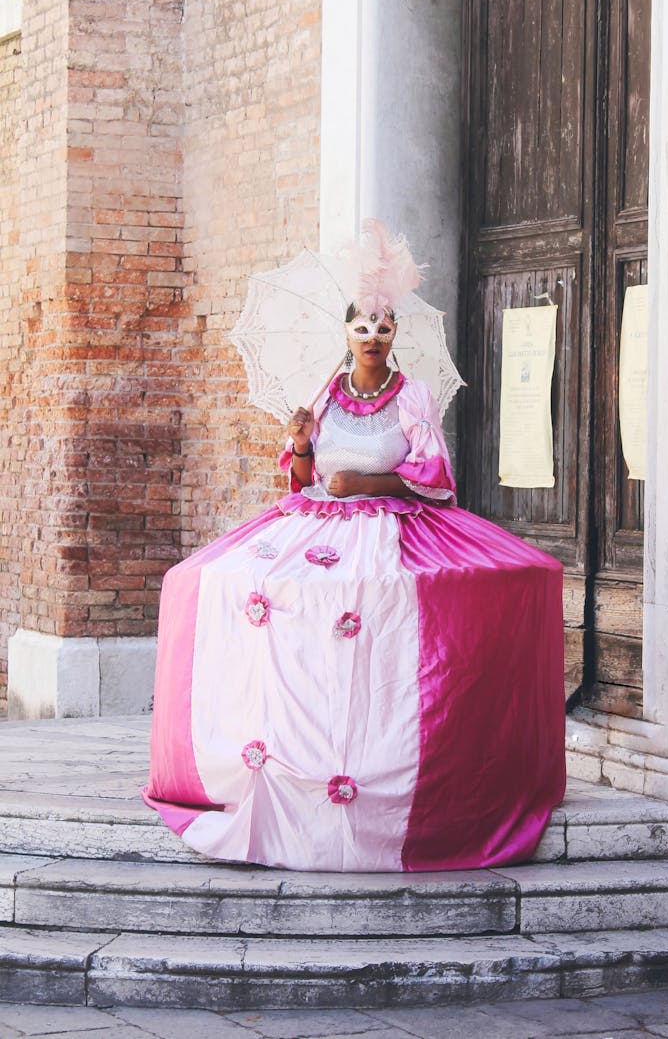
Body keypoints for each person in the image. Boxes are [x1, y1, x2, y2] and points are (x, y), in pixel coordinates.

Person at [144, 220, 566, 871]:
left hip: (394, 527)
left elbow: (434, 477)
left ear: (396, 333)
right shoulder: (322, 393)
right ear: (344, 332)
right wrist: (306, 442)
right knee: (254, 597)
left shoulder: (414, 397)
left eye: (384, 325)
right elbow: (301, 478)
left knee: (391, 618)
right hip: (315, 523)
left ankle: (382, 761)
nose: (373, 335)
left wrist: (364, 479)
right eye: (362, 325)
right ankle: (297, 760)